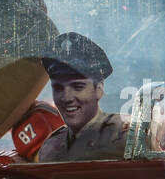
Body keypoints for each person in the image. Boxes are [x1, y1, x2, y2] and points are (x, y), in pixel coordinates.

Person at [35, 32, 130, 162]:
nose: (66, 98)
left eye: (78, 87)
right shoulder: (50, 147)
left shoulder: (127, 136)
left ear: (99, 89)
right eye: (58, 88)